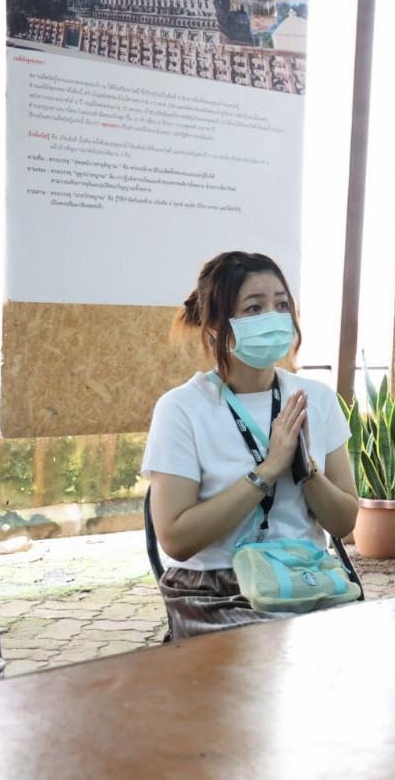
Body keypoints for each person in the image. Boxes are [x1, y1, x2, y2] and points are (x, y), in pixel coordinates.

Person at [143, 252, 359, 638]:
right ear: (215, 327)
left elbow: (344, 523)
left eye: (282, 305)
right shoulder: (182, 408)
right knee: (280, 654)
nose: (273, 318)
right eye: (254, 308)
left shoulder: (317, 399)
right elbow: (176, 539)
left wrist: (306, 471)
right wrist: (267, 471)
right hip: (217, 588)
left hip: (305, 578)